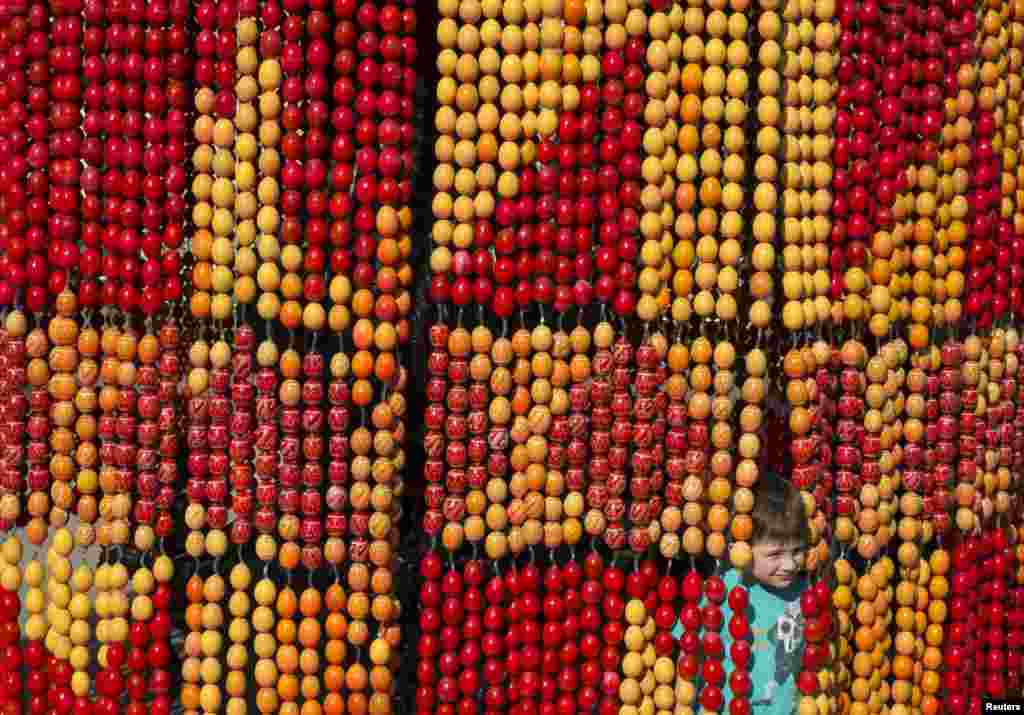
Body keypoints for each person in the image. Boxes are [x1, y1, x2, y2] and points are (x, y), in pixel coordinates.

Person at [674, 472, 811, 714]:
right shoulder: (719, 595)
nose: (790, 564)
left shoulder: (807, 596)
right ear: (739, 548)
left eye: (798, 550)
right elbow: (687, 659)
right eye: (775, 554)